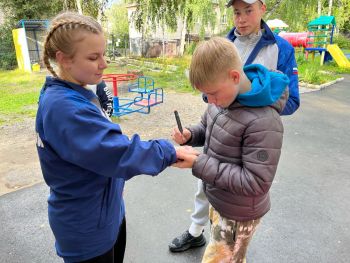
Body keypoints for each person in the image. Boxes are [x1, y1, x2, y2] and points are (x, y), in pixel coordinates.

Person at [36, 12, 197, 263]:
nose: (104, 63)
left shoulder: (78, 92)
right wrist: (168, 151)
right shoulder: (64, 107)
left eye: (103, 54)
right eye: (93, 57)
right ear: (64, 59)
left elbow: (96, 153)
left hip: (103, 211)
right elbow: (114, 151)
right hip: (87, 227)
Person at [169, 0, 300, 252]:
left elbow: (254, 181)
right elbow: (210, 124)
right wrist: (190, 135)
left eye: (248, 10)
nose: (210, 101)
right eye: (236, 12)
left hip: (239, 206)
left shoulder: (263, 121)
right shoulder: (221, 94)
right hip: (221, 194)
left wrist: (200, 162)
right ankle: (197, 231)